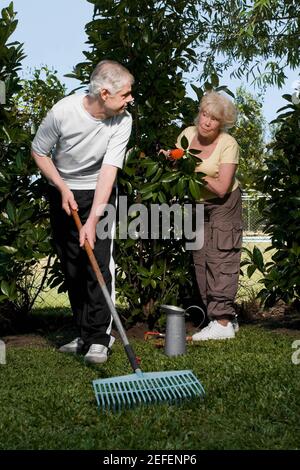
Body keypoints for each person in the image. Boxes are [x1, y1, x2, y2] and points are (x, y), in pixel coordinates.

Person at [31, 60, 134, 362]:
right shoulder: (63, 112)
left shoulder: (122, 120)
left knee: (98, 263)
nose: (130, 99)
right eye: (126, 94)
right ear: (105, 93)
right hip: (62, 188)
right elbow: (39, 152)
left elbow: (109, 170)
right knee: (73, 265)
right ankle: (84, 333)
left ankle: (100, 338)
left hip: (98, 191)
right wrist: (62, 188)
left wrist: (92, 220)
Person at [165, 91, 242, 340]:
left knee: (221, 258)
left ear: (223, 124)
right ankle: (219, 319)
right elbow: (176, 165)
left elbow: (221, 187)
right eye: (204, 114)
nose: (206, 122)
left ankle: (222, 323)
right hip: (197, 205)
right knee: (201, 260)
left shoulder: (228, 144)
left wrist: (192, 168)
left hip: (224, 204)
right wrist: (170, 159)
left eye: (214, 119)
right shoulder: (187, 135)